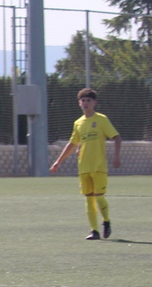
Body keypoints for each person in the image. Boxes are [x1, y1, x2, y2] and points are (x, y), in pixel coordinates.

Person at [49, 88, 122, 240]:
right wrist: (58, 161)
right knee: (88, 198)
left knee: (99, 197)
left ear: (94, 103)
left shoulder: (101, 119)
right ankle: (94, 231)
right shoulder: (78, 123)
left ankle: (106, 221)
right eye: (83, 100)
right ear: (79, 103)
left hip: (98, 166)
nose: (85, 103)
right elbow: (72, 143)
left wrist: (116, 156)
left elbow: (116, 137)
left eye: (89, 100)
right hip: (83, 167)